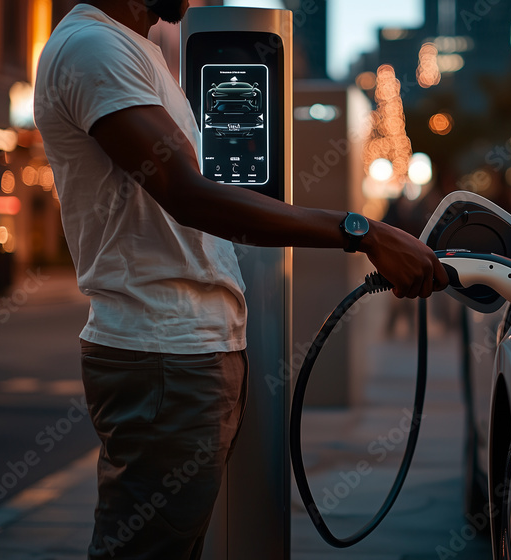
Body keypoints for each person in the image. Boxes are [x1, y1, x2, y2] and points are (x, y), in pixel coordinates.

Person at [33, 1, 448, 558]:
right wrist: (363, 232)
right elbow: (189, 193)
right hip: (163, 355)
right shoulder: (94, 48)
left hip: (188, 353)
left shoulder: (135, 51)